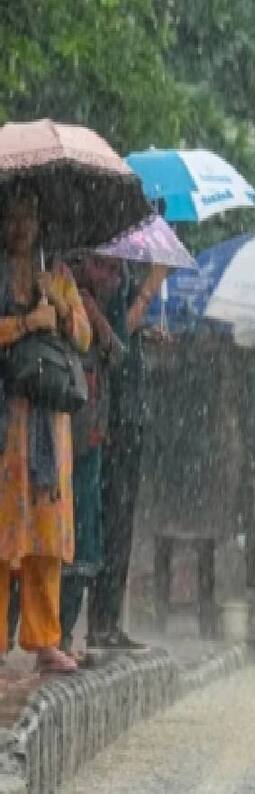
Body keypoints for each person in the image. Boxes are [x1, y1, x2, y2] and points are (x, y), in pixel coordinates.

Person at [0, 185, 91, 673]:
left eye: (28, 218)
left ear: (40, 223)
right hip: (6, 420)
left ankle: (44, 639)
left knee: (45, 534)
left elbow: (83, 336)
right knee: (2, 532)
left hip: (47, 426)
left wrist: (56, 305)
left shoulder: (57, 275)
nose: (20, 228)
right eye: (12, 217)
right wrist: (24, 325)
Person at [87, 260, 166, 651]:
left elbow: (128, 332)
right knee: (112, 517)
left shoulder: (122, 275)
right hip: (112, 416)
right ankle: (100, 622)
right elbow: (115, 337)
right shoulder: (108, 277)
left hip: (130, 413)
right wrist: (152, 285)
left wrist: (146, 332)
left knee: (123, 521)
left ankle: (110, 619)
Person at [59, 253, 125, 656]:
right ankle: (54, 633)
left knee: (86, 541)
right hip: (62, 439)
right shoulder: (60, 295)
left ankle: (66, 631)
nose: (112, 278)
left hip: (91, 441)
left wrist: (98, 317)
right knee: (63, 539)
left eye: (116, 271)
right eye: (104, 267)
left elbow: (117, 354)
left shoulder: (97, 309)